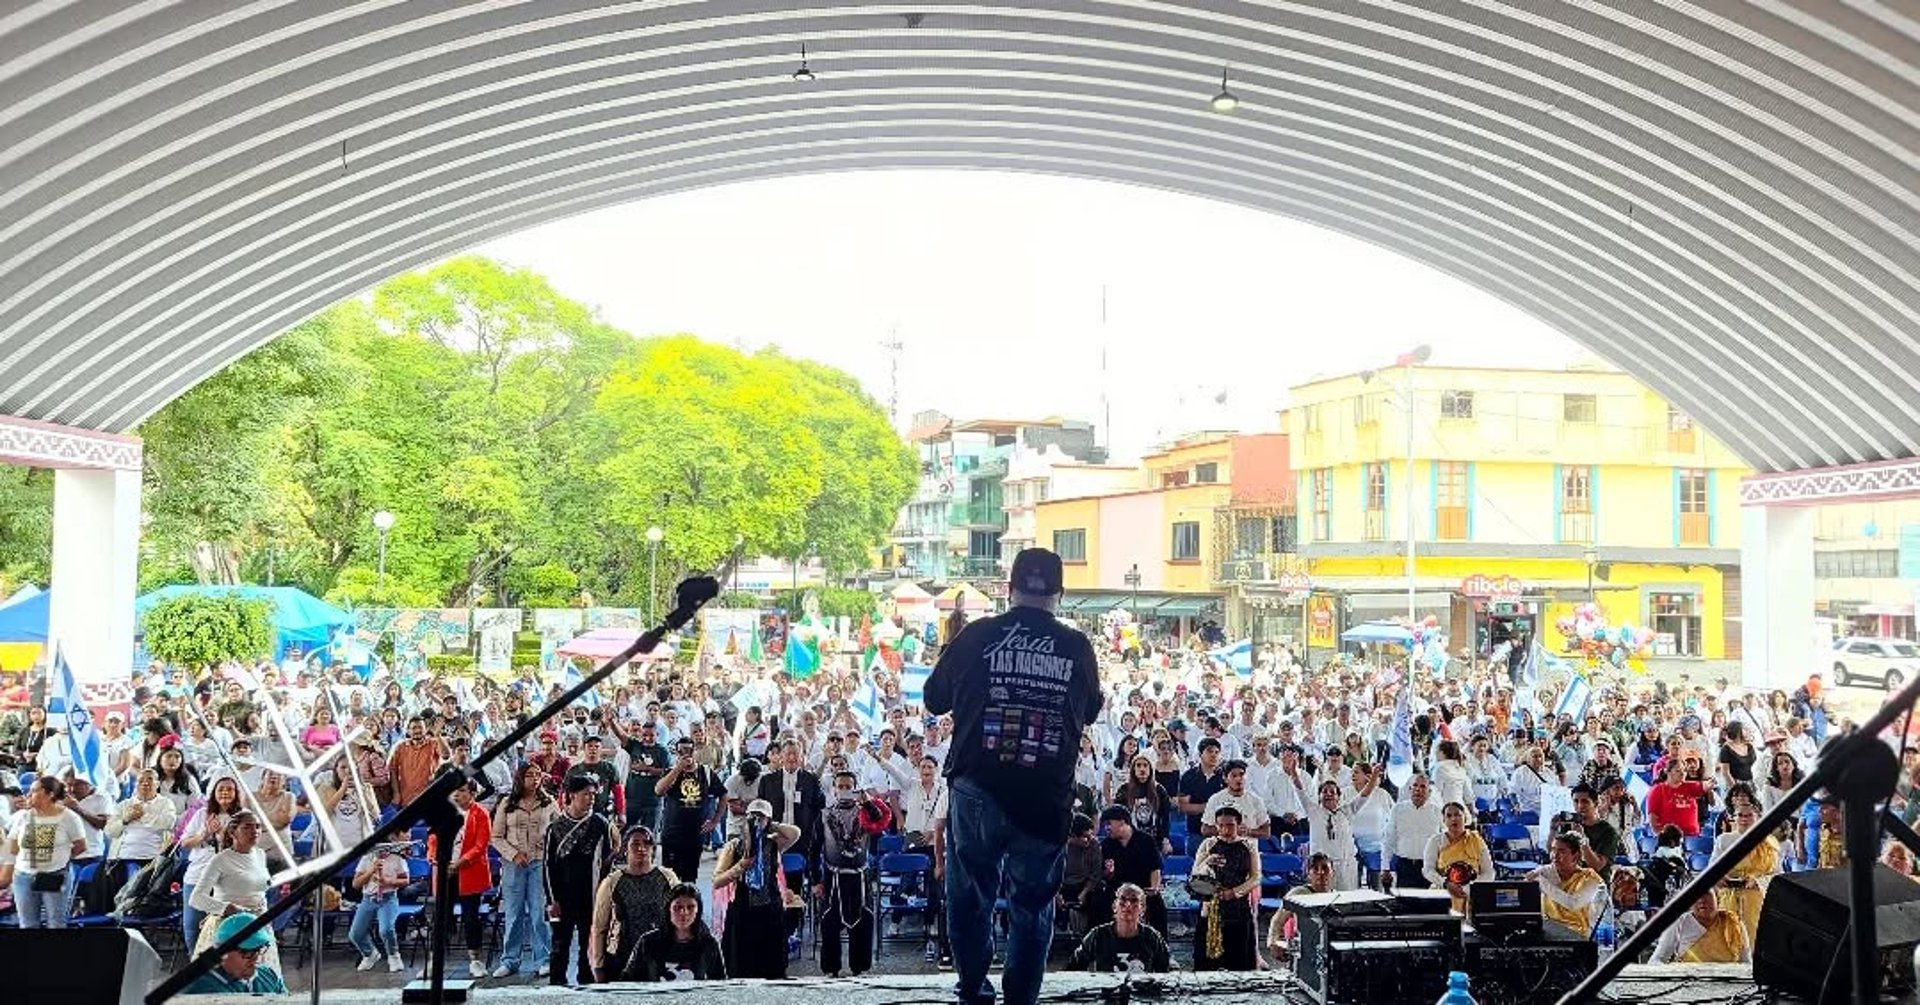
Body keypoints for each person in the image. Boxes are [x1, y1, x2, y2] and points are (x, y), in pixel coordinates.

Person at [926, 547, 1102, 1005]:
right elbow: (1091, 709)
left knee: (970, 895)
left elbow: (933, 699)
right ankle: (1021, 998)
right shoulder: (1077, 646)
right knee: (1032, 905)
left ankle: (972, 989)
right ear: (1061, 594)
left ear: (1009, 589)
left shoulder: (977, 635)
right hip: (1045, 794)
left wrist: (956, 646)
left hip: (977, 786)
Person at [815, 768, 893, 977]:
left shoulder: (865, 811)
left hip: (859, 874)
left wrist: (867, 801)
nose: (844, 791)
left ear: (855, 788)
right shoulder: (824, 814)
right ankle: (831, 968)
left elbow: (880, 823)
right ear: (834, 789)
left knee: (863, 918)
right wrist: (815, 880)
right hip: (833, 874)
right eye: (840, 787)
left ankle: (860, 967)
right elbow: (814, 848)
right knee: (830, 920)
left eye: (848, 787)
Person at [713, 798, 802, 979]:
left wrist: (770, 825)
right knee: (742, 967)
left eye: (761, 817)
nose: (756, 821)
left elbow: (795, 833)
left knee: (772, 967)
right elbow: (717, 881)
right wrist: (740, 867)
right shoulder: (733, 846)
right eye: (753, 817)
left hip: (770, 910)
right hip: (743, 911)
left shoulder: (774, 843)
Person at [189, 811, 281, 974]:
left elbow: (260, 891)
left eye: (258, 827)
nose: (255, 832)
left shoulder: (259, 855)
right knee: (228, 980)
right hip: (229, 927)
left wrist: (265, 917)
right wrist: (225, 908)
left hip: (257, 924)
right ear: (233, 832)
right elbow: (196, 898)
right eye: (247, 827)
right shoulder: (220, 860)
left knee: (260, 979)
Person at [589, 824, 681, 983]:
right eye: (635, 844)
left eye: (647, 844)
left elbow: (681, 918)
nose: (642, 848)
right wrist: (598, 966)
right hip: (621, 957)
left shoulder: (668, 877)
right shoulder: (612, 882)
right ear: (625, 849)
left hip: (660, 955)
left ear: (653, 849)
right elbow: (599, 927)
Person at [545, 774, 613, 985]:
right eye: (586, 794)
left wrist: (604, 896)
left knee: (590, 943)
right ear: (571, 796)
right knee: (559, 945)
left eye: (593, 794)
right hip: (562, 897)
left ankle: (587, 984)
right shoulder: (555, 828)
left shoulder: (600, 823)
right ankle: (556, 987)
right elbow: (549, 867)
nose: (591, 798)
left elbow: (608, 861)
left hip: (591, 896)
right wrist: (552, 900)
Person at [426, 779, 495, 979]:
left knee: (470, 917)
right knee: (441, 918)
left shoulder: (480, 814)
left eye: (462, 791)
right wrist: (435, 859)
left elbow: (481, 845)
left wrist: (459, 864)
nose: (457, 795)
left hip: (469, 873)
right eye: (454, 791)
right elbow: (432, 840)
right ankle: (434, 960)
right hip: (444, 872)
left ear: (472, 794)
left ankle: (475, 959)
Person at [492, 762, 555, 978]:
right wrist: (513, 854)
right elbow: (496, 837)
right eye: (529, 775)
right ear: (520, 778)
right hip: (514, 865)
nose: (534, 779)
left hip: (539, 863)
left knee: (539, 913)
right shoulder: (507, 803)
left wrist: (547, 852)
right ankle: (510, 960)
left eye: (538, 775)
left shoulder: (548, 802)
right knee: (514, 914)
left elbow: (557, 832)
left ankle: (544, 958)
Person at [5, 775, 87, 927]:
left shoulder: (69, 817)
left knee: (56, 923)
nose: (28, 795)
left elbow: (80, 846)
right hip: (23, 875)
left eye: (34, 791)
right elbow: (13, 845)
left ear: (50, 794)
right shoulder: (23, 816)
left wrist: (59, 859)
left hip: (55, 875)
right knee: (28, 924)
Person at [1190, 805, 1261, 971]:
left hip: (1238, 907)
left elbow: (1256, 877)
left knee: (1239, 959)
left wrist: (1234, 893)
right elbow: (1196, 873)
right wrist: (1208, 861)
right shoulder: (1208, 845)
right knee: (1207, 960)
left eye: (1230, 825)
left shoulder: (1248, 846)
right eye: (1220, 825)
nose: (1225, 830)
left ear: (1238, 825)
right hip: (1211, 905)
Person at [654, 735, 723, 884]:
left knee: (690, 878)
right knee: (670, 878)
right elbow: (658, 790)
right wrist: (678, 768)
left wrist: (715, 820)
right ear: (677, 753)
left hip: (695, 834)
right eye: (681, 751)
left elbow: (723, 794)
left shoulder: (705, 772)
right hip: (672, 834)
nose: (686, 754)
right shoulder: (671, 772)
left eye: (689, 751)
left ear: (695, 752)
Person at [1712, 802, 1779, 943]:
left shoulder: (1769, 842)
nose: (1744, 819)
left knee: (1754, 938)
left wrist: (1758, 881)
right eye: (1740, 815)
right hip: (1729, 897)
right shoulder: (1724, 840)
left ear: (1758, 817)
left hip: (1756, 898)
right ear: (1733, 818)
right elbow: (1712, 869)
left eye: (1749, 815)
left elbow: (1777, 874)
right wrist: (1718, 878)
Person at [1070, 882, 1172, 973]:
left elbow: (1165, 970)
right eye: (1123, 899)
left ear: (1142, 909)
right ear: (1115, 906)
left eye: (1134, 900)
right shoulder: (1098, 935)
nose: (1128, 905)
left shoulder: (1151, 937)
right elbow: (1074, 968)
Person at [634, 882, 727, 981]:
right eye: (678, 907)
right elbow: (629, 980)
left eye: (690, 907)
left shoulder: (709, 944)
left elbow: (720, 985)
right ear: (668, 909)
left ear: (698, 910)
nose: (684, 913)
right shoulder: (648, 942)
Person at [182, 912, 288, 994]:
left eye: (258, 950)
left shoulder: (268, 975)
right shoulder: (200, 989)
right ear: (222, 952)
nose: (255, 959)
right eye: (247, 952)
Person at [348, 843, 410, 973]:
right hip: (368, 899)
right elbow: (356, 884)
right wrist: (370, 871)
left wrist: (389, 882)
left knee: (386, 929)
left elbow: (405, 880)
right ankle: (369, 953)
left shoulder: (397, 859)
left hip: (388, 898)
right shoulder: (366, 859)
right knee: (355, 934)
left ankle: (393, 955)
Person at [1422, 802, 1494, 914]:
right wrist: (1446, 884)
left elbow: (1489, 872)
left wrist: (1468, 888)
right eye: (1449, 816)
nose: (1453, 819)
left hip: (1472, 891)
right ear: (1444, 820)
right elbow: (1428, 870)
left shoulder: (1476, 840)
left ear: (1465, 817)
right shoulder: (1435, 841)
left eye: (1457, 815)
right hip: (1443, 891)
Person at [1529, 831, 1606, 933]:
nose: (1555, 855)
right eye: (1553, 850)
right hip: (1548, 929)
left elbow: (1573, 904)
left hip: (1578, 933)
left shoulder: (1589, 878)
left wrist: (1541, 882)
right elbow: (1526, 886)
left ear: (1576, 856)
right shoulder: (1546, 872)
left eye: (1562, 851)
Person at [1649, 891, 1751, 964]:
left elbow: (1746, 962)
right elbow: (1657, 960)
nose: (1701, 900)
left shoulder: (1733, 924)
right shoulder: (1679, 923)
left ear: (1718, 899)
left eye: (1707, 894)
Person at [1268, 852, 1334, 964]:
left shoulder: (1336, 898)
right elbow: (1278, 921)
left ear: (1332, 873)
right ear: (1309, 874)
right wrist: (1274, 942)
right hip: (1303, 951)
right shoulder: (1298, 894)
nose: (1321, 873)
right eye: (1315, 869)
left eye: (1325, 869)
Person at [1383, 774, 1441, 889]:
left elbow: (1444, 841)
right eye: (1415, 785)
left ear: (1429, 791)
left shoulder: (1437, 812)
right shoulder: (1398, 810)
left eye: (1423, 786)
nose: (1418, 789)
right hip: (1405, 866)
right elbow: (1389, 839)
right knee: (1405, 904)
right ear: (1409, 789)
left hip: (1429, 868)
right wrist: (1385, 867)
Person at [1646, 758, 1709, 837]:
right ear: (1668, 772)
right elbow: (1653, 817)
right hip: (1670, 838)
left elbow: (1706, 786)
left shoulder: (1690, 786)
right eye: (1678, 770)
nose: (1683, 773)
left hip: (1692, 835)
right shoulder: (1657, 790)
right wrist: (1661, 836)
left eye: (1685, 771)